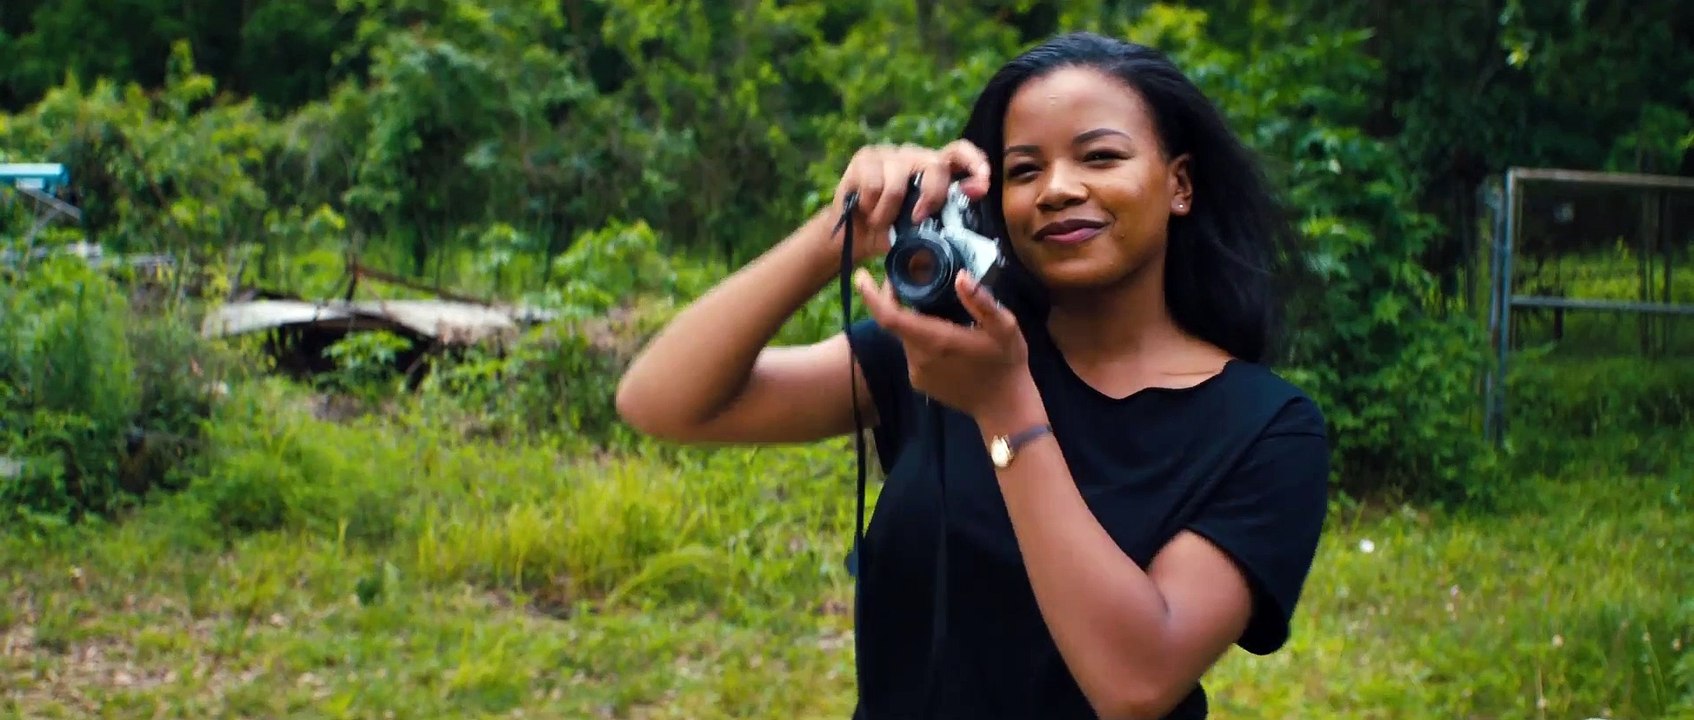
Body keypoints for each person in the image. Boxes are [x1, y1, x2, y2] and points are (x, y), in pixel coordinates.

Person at [615, 31, 1331, 720]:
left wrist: (1005, 408)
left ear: (1179, 184)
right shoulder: (951, 347)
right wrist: (840, 233)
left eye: (1100, 157)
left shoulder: (1264, 428)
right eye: (1024, 170)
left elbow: (1135, 683)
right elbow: (663, 401)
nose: (1057, 189)